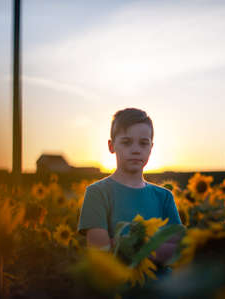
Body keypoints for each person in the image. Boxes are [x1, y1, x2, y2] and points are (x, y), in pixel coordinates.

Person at [77, 108, 183, 277]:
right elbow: (100, 250)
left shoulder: (164, 197)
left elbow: (177, 247)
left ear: (151, 147)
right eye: (126, 142)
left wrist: (125, 245)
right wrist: (154, 247)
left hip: (163, 289)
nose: (135, 150)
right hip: (118, 289)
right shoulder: (97, 193)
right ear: (111, 146)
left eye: (143, 143)